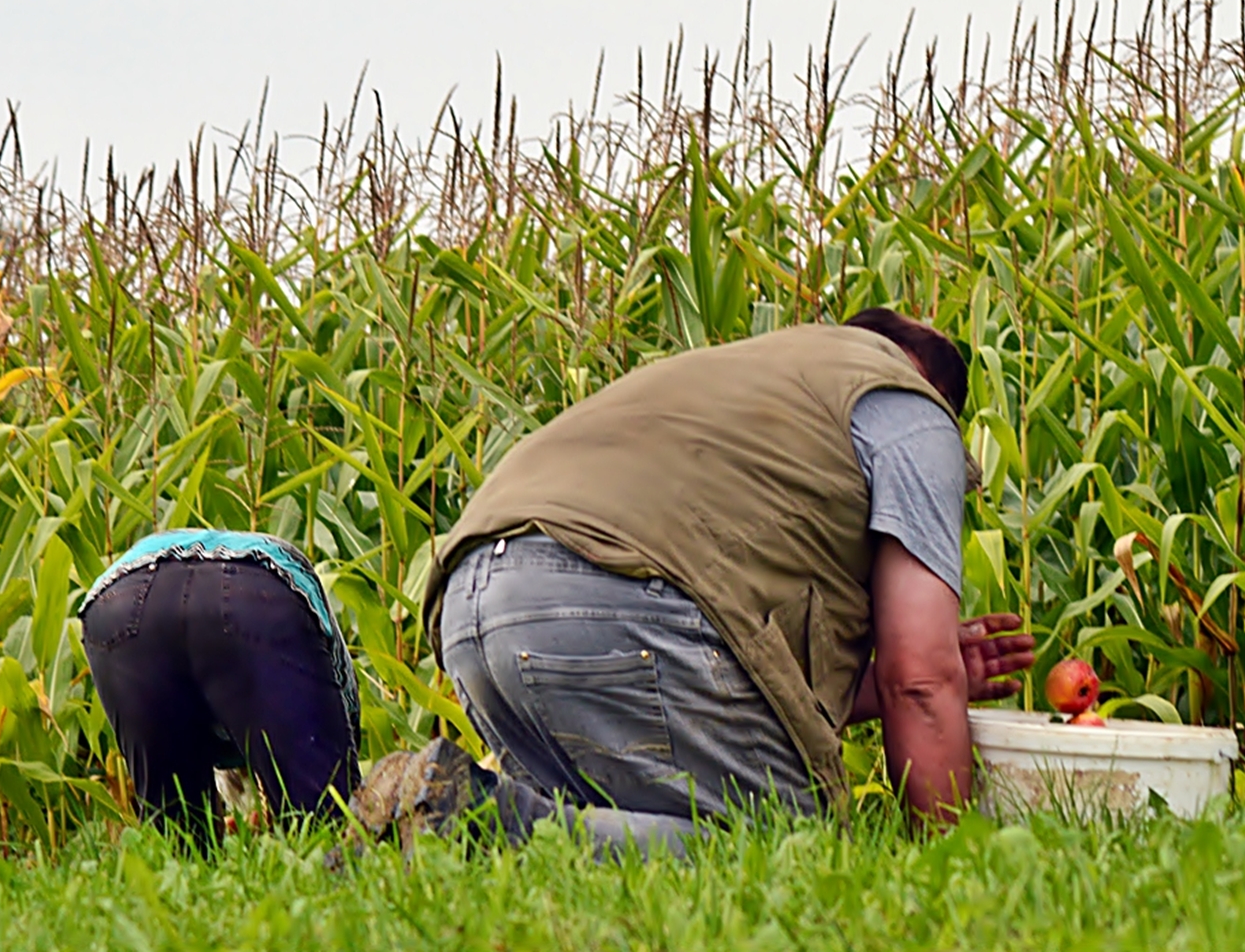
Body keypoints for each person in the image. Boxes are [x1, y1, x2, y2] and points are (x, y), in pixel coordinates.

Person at [345, 310, 1035, 856]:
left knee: (606, 834)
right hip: (614, 598)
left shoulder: (756, 381)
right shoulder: (907, 406)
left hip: (471, 604)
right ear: (930, 386)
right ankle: (481, 822)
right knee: (790, 849)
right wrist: (950, 868)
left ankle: (436, 821)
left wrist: (876, 688)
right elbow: (922, 677)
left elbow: (743, 671)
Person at [79, 529, 361, 844]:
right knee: (329, 822)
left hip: (117, 599)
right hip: (254, 584)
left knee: (180, 842)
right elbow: (326, 740)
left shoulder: (222, 707)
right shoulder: (341, 692)